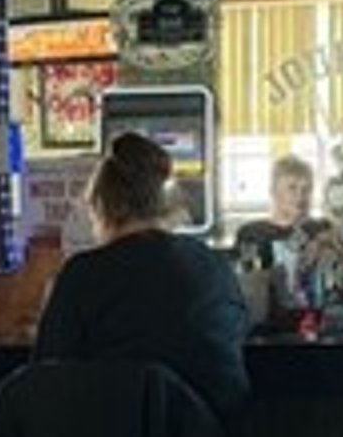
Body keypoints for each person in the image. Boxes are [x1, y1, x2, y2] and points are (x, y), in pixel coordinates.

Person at [35, 132, 250, 418]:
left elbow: (46, 376)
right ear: (166, 204)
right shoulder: (213, 266)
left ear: (101, 206)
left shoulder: (83, 275)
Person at [234, 154, 328, 259]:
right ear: (273, 191)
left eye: (307, 189)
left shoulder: (321, 230)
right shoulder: (252, 234)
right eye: (292, 188)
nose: (300, 195)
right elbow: (246, 272)